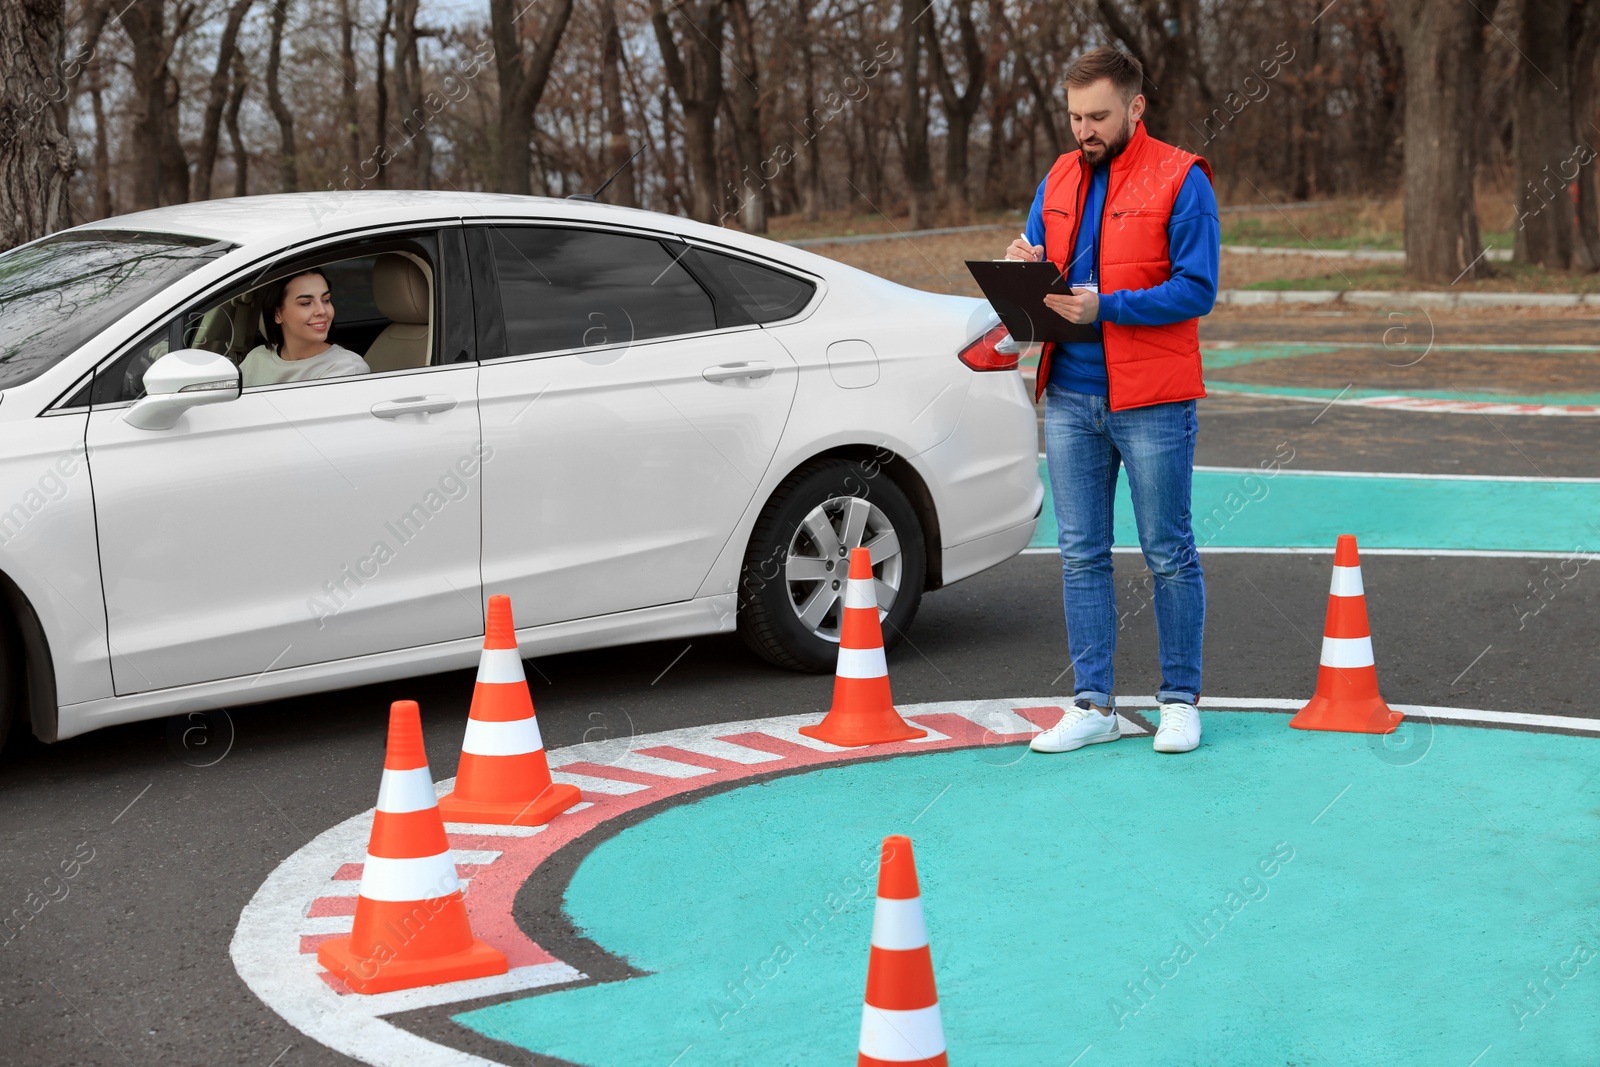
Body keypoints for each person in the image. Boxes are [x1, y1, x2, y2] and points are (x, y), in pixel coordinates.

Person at [1006, 47, 1219, 756]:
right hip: (1068, 395)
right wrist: (1023, 268)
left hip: (1153, 399)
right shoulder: (1061, 174)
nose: (1084, 131)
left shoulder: (1182, 178)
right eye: (1074, 117)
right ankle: (1092, 702)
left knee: (1167, 552)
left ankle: (1181, 700)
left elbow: (1198, 288)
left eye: (1098, 116)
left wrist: (1107, 308)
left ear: (1136, 108)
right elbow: (1048, 268)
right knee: (1080, 555)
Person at [240, 269, 370, 387]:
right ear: (278, 314)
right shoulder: (256, 359)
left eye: (326, 300)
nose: (322, 310)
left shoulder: (347, 368)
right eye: (306, 303)